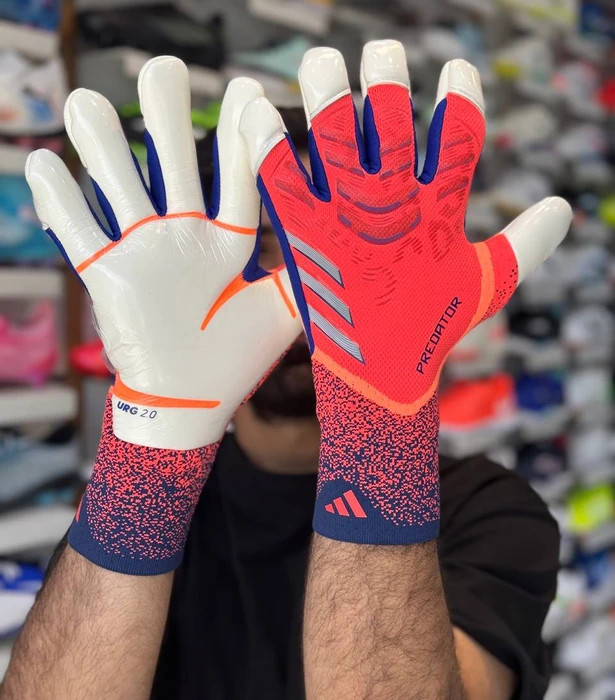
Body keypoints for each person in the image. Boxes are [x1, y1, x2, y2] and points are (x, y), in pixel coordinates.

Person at [3, 44, 571, 700]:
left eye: (334, 260)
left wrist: (380, 423)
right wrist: (153, 444)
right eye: (266, 251)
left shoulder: (491, 510)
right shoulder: (146, 498)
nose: (308, 292)